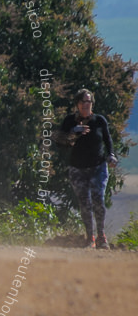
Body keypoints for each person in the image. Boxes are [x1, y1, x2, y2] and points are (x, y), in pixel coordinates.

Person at [58, 89, 118, 249]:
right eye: (83, 102)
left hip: (98, 166)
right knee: (84, 202)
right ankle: (89, 237)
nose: (86, 105)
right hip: (77, 167)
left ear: (92, 104)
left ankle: (101, 236)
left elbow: (107, 139)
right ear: (77, 104)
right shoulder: (70, 121)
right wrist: (73, 133)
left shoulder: (99, 120)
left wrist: (111, 155)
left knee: (98, 198)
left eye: (89, 102)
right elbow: (60, 142)